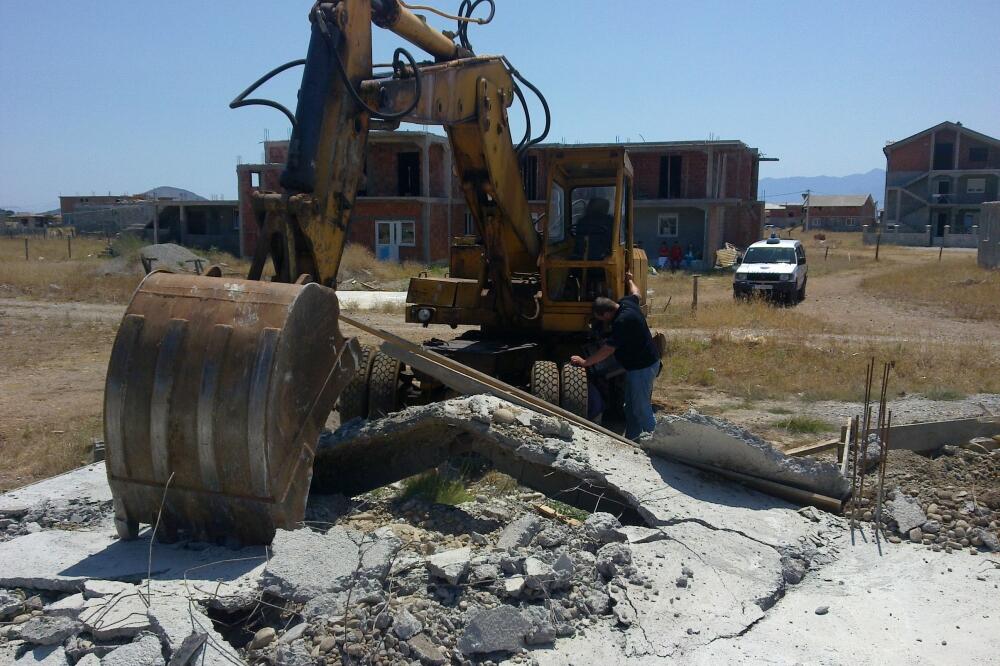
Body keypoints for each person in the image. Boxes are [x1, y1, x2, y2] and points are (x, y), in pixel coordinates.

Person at [570, 273, 660, 440]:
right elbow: (636, 293)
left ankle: (658, 443)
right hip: (640, 365)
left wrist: (586, 362)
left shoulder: (622, 321)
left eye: (600, 319)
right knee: (630, 407)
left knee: (641, 408)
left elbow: (607, 349)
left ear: (605, 314)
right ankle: (634, 439)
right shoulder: (627, 303)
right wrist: (630, 280)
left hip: (642, 367)